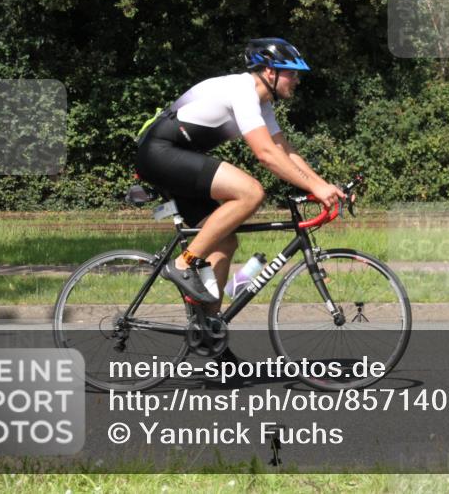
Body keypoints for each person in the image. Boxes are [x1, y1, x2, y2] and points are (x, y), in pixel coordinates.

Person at [135, 38, 346, 310]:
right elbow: (266, 155)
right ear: (271, 71)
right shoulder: (242, 90)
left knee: (223, 242)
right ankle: (182, 265)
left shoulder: (262, 103)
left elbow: (284, 150)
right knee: (251, 192)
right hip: (160, 152)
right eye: (292, 73)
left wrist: (322, 185)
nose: (296, 80)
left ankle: (209, 335)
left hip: (177, 157)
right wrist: (315, 188)